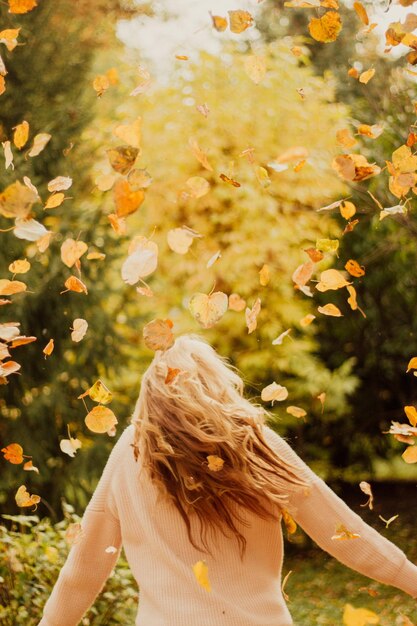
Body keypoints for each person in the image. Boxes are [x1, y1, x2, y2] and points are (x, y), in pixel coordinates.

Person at [38, 333, 417, 626]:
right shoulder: (256, 445)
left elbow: (83, 569)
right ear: (216, 383)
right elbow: (345, 532)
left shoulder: (129, 452)